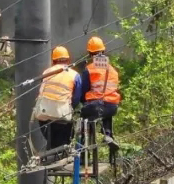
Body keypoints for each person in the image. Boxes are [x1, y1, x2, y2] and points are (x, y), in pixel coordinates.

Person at [79, 35, 122, 166]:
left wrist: (82, 103)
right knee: (105, 113)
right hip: (112, 105)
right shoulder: (112, 69)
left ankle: (84, 154)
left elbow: (84, 89)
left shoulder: (90, 69)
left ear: (90, 53)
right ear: (103, 51)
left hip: (95, 105)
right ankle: (107, 134)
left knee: (86, 120)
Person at [31, 45, 82, 153]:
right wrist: (71, 107)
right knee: (66, 133)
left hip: (45, 112)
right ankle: (62, 152)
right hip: (62, 112)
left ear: (53, 60)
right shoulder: (74, 75)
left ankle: (52, 151)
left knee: (49, 133)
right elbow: (77, 97)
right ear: (68, 60)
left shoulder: (46, 72)